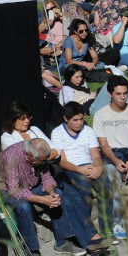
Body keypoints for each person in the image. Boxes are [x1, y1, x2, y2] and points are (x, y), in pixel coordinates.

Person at [0, 138, 109, 256]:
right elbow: (15, 190)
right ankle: (32, 251)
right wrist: (42, 200)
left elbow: (46, 177)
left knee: (59, 194)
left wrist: (51, 193)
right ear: (30, 155)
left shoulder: (39, 156)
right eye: (42, 160)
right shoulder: (11, 157)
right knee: (24, 207)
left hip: (31, 184)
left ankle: (63, 242)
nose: (44, 162)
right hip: (9, 190)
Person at [92, 75, 128, 241]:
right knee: (112, 177)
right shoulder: (101, 115)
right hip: (111, 156)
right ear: (110, 94)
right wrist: (116, 161)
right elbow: (103, 145)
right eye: (118, 94)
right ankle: (117, 222)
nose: (123, 97)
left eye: (125, 93)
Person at [50, 102, 108, 243]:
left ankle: (107, 229)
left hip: (89, 165)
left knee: (106, 185)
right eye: (75, 120)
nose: (79, 123)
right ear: (66, 118)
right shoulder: (57, 133)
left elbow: (95, 155)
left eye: (81, 119)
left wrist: (98, 167)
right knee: (83, 186)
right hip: (71, 168)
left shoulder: (87, 131)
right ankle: (88, 231)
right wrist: (79, 169)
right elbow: (62, 161)